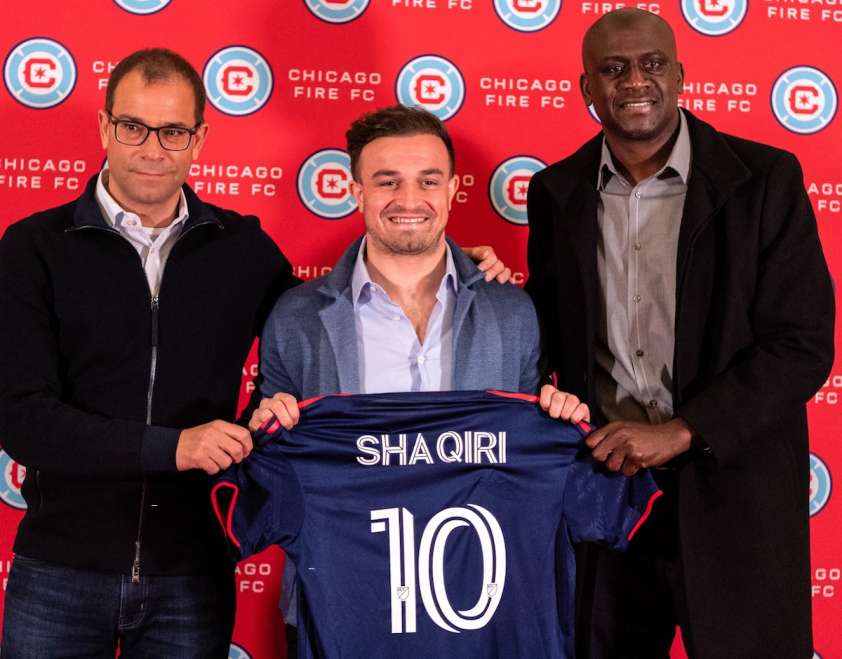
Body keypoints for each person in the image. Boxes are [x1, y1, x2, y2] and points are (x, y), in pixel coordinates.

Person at [525, 8, 834, 658]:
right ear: (586, 87)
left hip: (735, 495)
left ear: (681, 75)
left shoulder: (763, 180)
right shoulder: (556, 191)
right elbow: (545, 330)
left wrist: (682, 431)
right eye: (613, 69)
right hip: (607, 495)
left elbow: (801, 342)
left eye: (652, 64)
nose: (635, 81)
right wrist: (479, 289)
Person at [248, 104, 589, 654]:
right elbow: (268, 460)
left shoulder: (512, 313)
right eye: (388, 182)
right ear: (356, 191)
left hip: (481, 609)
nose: (409, 200)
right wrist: (266, 425)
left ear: (452, 190)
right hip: (344, 606)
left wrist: (558, 418)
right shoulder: (297, 316)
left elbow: (524, 452)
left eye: (428, 181)